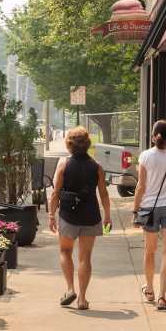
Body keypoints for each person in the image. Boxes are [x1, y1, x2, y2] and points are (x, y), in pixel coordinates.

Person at [49, 126, 112, 310]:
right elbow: (104, 194)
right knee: (85, 258)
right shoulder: (97, 166)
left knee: (65, 252)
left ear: (69, 144)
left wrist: (52, 216)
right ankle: (82, 299)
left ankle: (70, 290)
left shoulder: (64, 166)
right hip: (91, 216)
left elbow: (55, 194)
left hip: (68, 216)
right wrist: (107, 216)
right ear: (87, 144)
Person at [132, 120, 166, 311]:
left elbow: (140, 186)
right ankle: (163, 297)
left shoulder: (145, 156)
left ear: (153, 136)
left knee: (150, 250)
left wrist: (135, 211)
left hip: (149, 208)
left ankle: (150, 291)